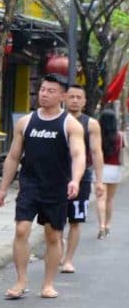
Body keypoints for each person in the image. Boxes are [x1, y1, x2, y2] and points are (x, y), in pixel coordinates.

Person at [0, 74, 86, 299]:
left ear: (62, 96)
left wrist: (75, 180)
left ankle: (48, 284)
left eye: (50, 91)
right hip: (30, 185)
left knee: (53, 236)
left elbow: (78, 155)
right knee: (21, 229)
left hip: (57, 188)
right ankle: (21, 280)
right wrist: (3, 188)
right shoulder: (26, 122)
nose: (44, 94)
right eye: (42, 89)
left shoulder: (70, 124)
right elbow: (13, 156)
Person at [60, 85, 105, 272]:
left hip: (82, 177)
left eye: (79, 97)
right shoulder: (57, 119)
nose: (75, 100)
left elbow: (96, 152)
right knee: (53, 220)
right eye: (71, 96)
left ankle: (68, 260)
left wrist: (99, 181)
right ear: (64, 98)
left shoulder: (91, 124)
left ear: (85, 101)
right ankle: (58, 248)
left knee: (75, 220)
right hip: (56, 176)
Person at [97, 108, 122, 238]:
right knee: (110, 200)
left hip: (100, 169)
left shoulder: (97, 136)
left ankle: (101, 226)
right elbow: (122, 152)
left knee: (100, 199)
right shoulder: (119, 136)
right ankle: (108, 225)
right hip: (114, 169)